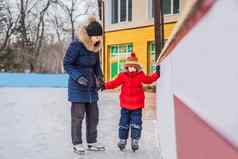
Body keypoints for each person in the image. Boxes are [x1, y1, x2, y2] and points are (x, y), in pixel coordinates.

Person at [101, 52, 160, 152]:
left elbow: (148, 80)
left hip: (137, 106)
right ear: (126, 68)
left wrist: (157, 74)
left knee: (136, 123)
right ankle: (122, 140)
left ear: (137, 68)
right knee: (123, 123)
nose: (132, 69)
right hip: (125, 105)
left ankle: (135, 140)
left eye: (134, 67)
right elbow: (114, 83)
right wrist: (104, 86)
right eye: (130, 67)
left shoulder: (140, 75)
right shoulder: (123, 76)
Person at [63, 16, 105, 154]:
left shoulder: (95, 47)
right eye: (96, 36)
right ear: (89, 35)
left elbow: (96, 66)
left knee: (94, 116)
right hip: (77, 87)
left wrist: (100, 78)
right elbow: (67, 64)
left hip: (91, 88)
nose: (98, 38)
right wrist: (78, 77)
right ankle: (77, 143)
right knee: (78, 116)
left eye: (100, 36)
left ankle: (92, 142)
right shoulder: (76, 45)